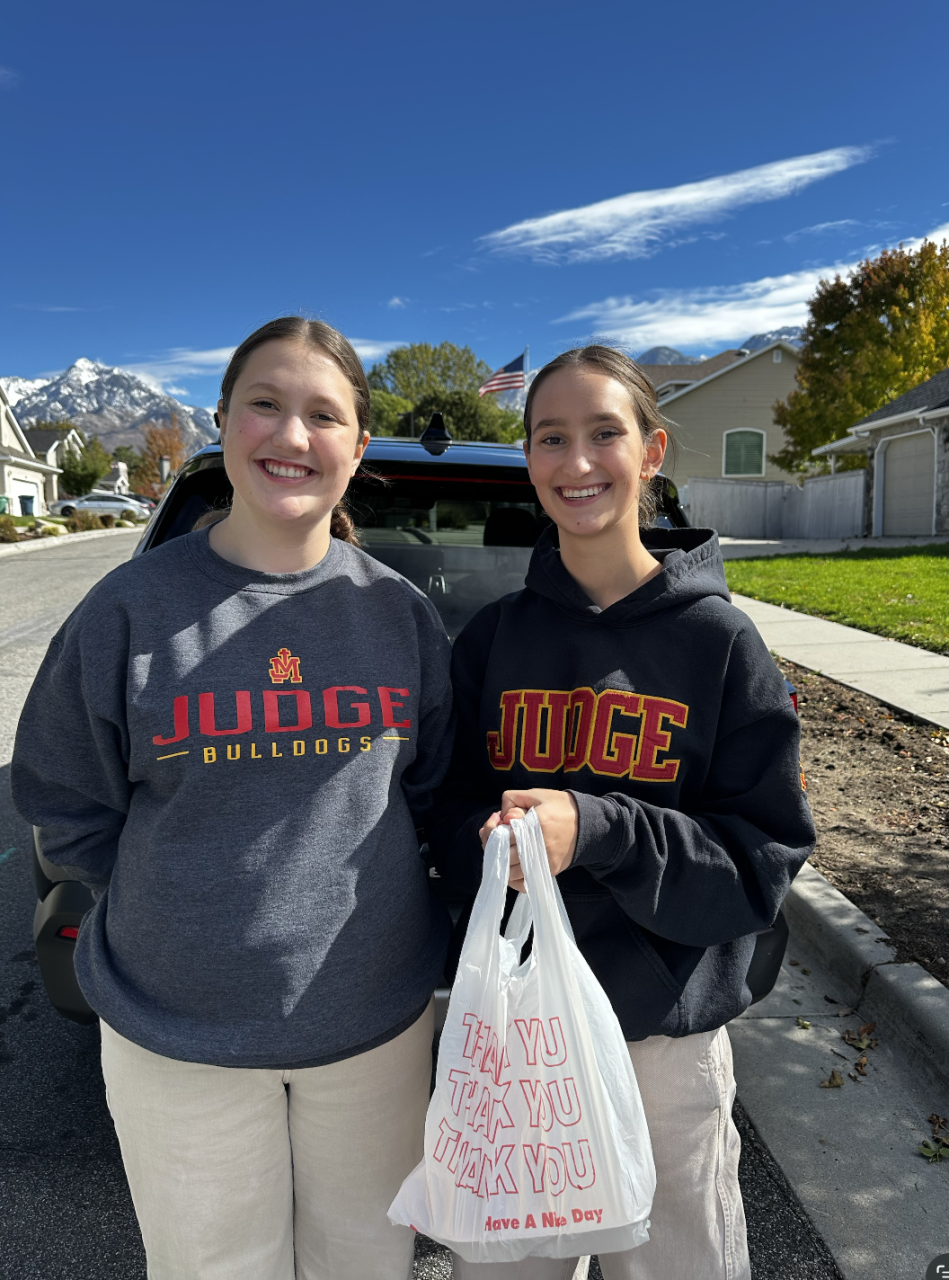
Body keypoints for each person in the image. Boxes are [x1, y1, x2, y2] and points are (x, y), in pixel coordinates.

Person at [12, 317, 454, 1280]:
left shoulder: (397, 616)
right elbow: (65, 798)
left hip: (372, 1027)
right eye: (265, 404)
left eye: (322, 415)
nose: (291, 436)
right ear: (220, 423)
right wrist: (183, 908)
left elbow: (426, 797)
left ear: (357, 447)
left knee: (364, 1265)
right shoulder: (128, 611)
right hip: (176, 1036)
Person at [430, 345, 816, 1280]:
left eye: (604, 433)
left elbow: (759, 862)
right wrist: (489, 843)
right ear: (528, 459)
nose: (576, 461)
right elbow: (440, 813)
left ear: (651, 452)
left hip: (660, 1038)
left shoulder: (718, 642)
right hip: (518, 1033)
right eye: (550, 438)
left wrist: (598, 830)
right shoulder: (493, 639)